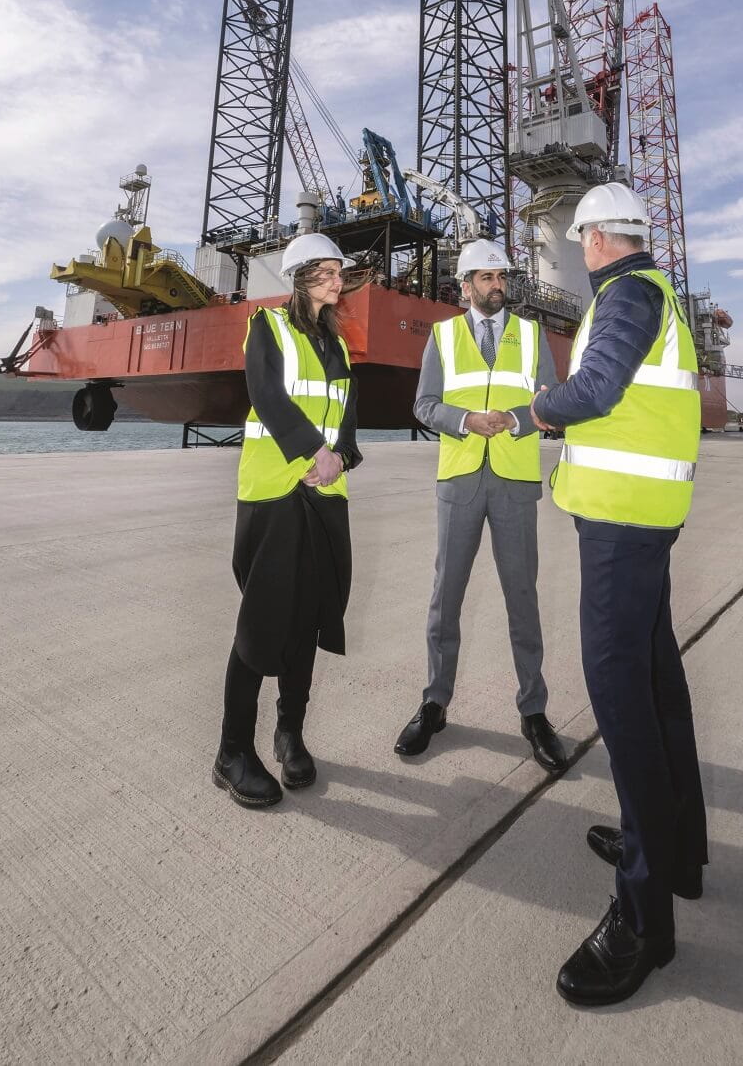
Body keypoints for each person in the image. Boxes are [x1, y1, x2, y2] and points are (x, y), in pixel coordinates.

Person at [530, 182, 707, 1006]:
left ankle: (644, 919)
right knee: (657, 683)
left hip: (621, 532)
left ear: (599, 237)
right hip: (646, 523)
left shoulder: (628, 293)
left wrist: (543, 409)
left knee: (620, 699)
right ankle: (676, 847)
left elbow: (595, 392)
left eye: (581, 237)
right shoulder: (653, 292)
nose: (579, 248)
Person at [394, 240, 568, 774]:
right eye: (485, 277)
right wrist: (466, 421)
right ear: (464, 285)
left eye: (501, 277)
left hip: (515, 481)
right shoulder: (443, 337)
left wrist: (515, 420)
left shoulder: (533, 335)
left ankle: (534, 712)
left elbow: (550, 400)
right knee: (445, 597)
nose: (497, 285)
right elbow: (423, 405)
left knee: (523, 598)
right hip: (460, 481)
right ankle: (435, 702)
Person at [212, 233, 362, 810]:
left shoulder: (339, 346)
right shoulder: (267, 328)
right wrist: (311, 454)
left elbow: (348, 418)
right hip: (275, 494)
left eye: (339, 271)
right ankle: (231, 753)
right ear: (297, 277)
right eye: (323, 271)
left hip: (325, 496)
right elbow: (267, 396)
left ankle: (289, 732)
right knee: (262, 622)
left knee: (309, 617)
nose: (336, 279)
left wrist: (340, 456)